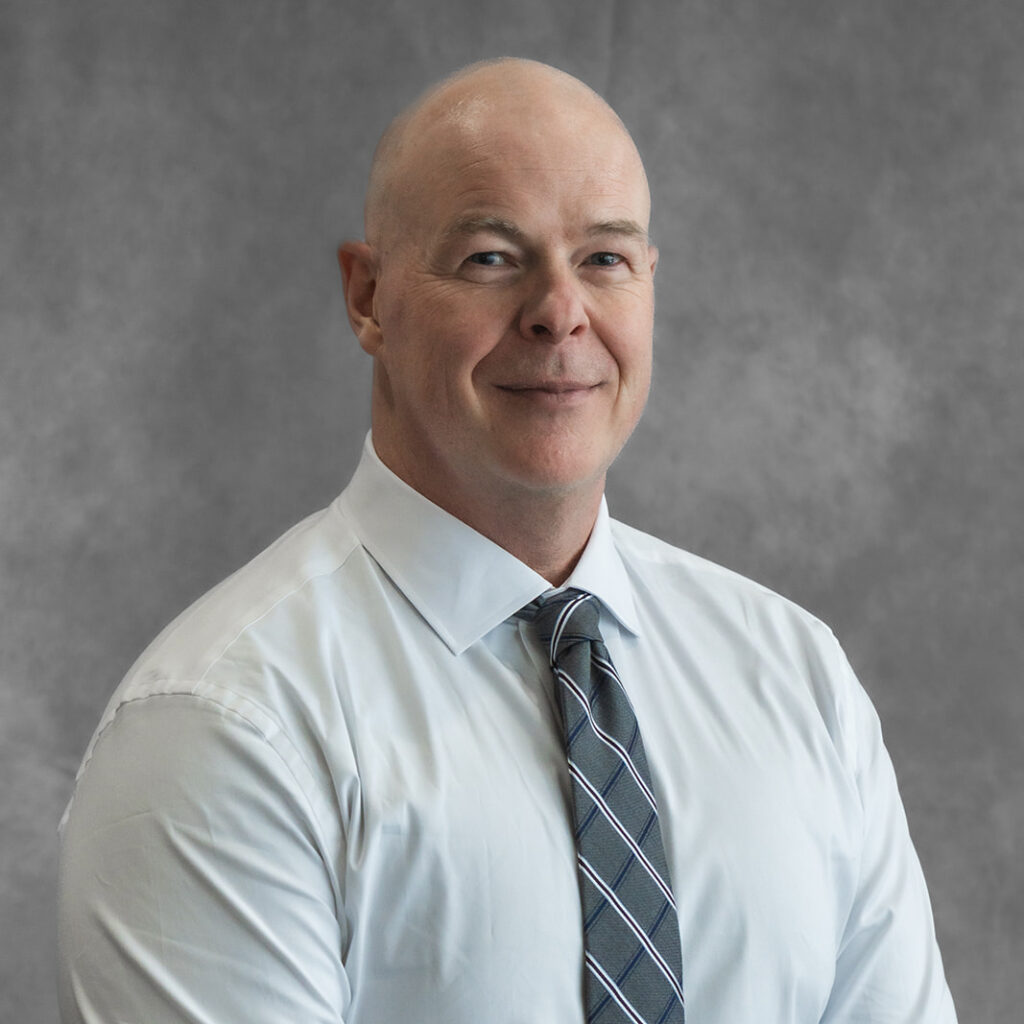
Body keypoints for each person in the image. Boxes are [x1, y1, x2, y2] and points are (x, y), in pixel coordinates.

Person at [57, 58, 957, 1023]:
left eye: (604, 259)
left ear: (650, 284)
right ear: (368, 297)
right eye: (490, 258)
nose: (559, 312)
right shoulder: (223, 728)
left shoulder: (798, 680)